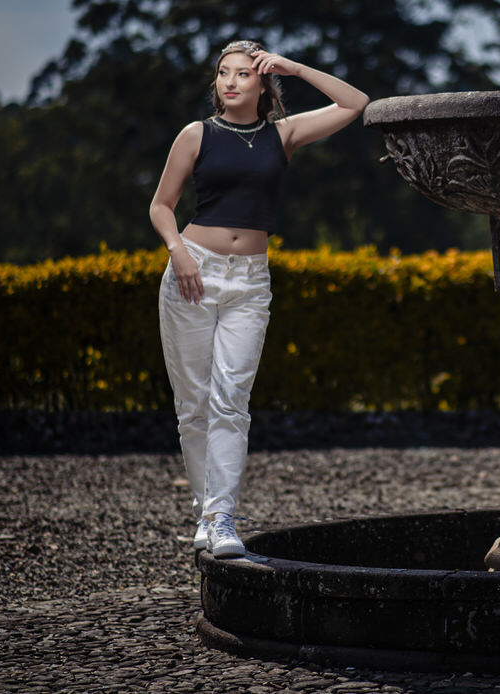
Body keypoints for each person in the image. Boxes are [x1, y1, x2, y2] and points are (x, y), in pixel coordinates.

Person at [150, 40, 369, 558]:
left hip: (250, 282)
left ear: (263, 82)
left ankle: (221, 518)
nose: (230, 82)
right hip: (192, 273)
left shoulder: (282, 135)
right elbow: (161, 205)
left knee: (231, 399)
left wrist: (294, 67)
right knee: (193, 406)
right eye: (224, 73)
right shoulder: (197, 134)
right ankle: (208, 511)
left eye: (244, 74)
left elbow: (356, 103)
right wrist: (178, 251)